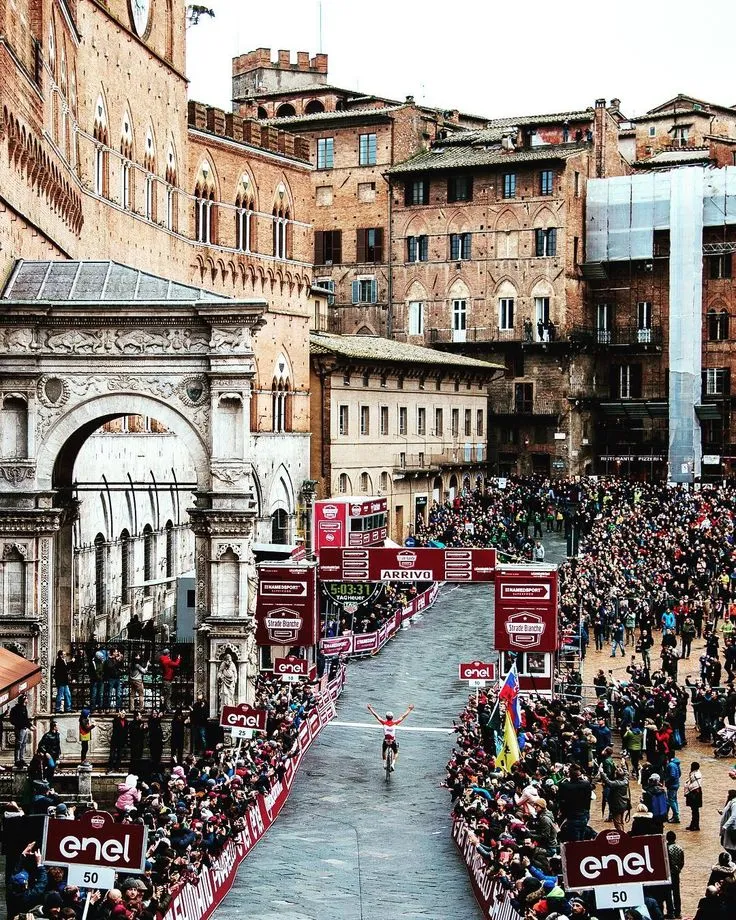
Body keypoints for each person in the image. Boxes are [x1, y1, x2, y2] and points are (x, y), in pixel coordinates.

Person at [366, 702, 415, 770]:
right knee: (396, 752)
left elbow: (376, 715)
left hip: (386, 741)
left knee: (383, 751)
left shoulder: (384, 723)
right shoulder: (395, 723)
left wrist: (370, 708)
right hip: (392, 741)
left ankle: (384, 763)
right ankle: (393, 764)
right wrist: (409, 709)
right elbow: (403, 716)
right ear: (392, 717)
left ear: (386, 717)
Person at [10, 692, 32, 767]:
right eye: (26, 698)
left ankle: (22, 759)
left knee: (23, 744)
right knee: (18, 745)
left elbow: (26, 719)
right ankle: (17, 760)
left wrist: (30, 726)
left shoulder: (24, 708)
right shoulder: (15, 709)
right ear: (23, 700)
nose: (27, 700)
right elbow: (13, 720)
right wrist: (20, 725)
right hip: (19, 729)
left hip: (24, 729)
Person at [665, 830, 684, 919]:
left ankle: (670, 912)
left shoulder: (666, 848)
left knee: (668, 893)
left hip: (669, 873)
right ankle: (678, 912)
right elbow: (682, 861)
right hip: (676, 873)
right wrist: (678, 869)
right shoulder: (679, 848)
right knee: (677, 893)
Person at [683, 761, 703, 831]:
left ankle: (695, 826)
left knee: (695, 811)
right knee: (694, 811)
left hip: (695, 794)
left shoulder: (695, 775)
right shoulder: (696, 773)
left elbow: (694, 785)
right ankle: (693, 825)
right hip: (695, 793)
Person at [664, 753, 682, 824]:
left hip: (672, 786)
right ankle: (675, 815)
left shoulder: (671, 765)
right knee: (674, 800)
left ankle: (676, 816)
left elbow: (672, 775)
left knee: (671, 800)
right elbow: (680, 774)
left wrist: (667, 781)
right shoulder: (676, 763)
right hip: (676, 784)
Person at [720, 789, 736, 857]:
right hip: (729, 828)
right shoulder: (731, 802)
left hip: (732, 828)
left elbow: (734, 816)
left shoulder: (734, 803)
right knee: (725, 843)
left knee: (729, 845)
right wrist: (722, 812)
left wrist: (725, 826)